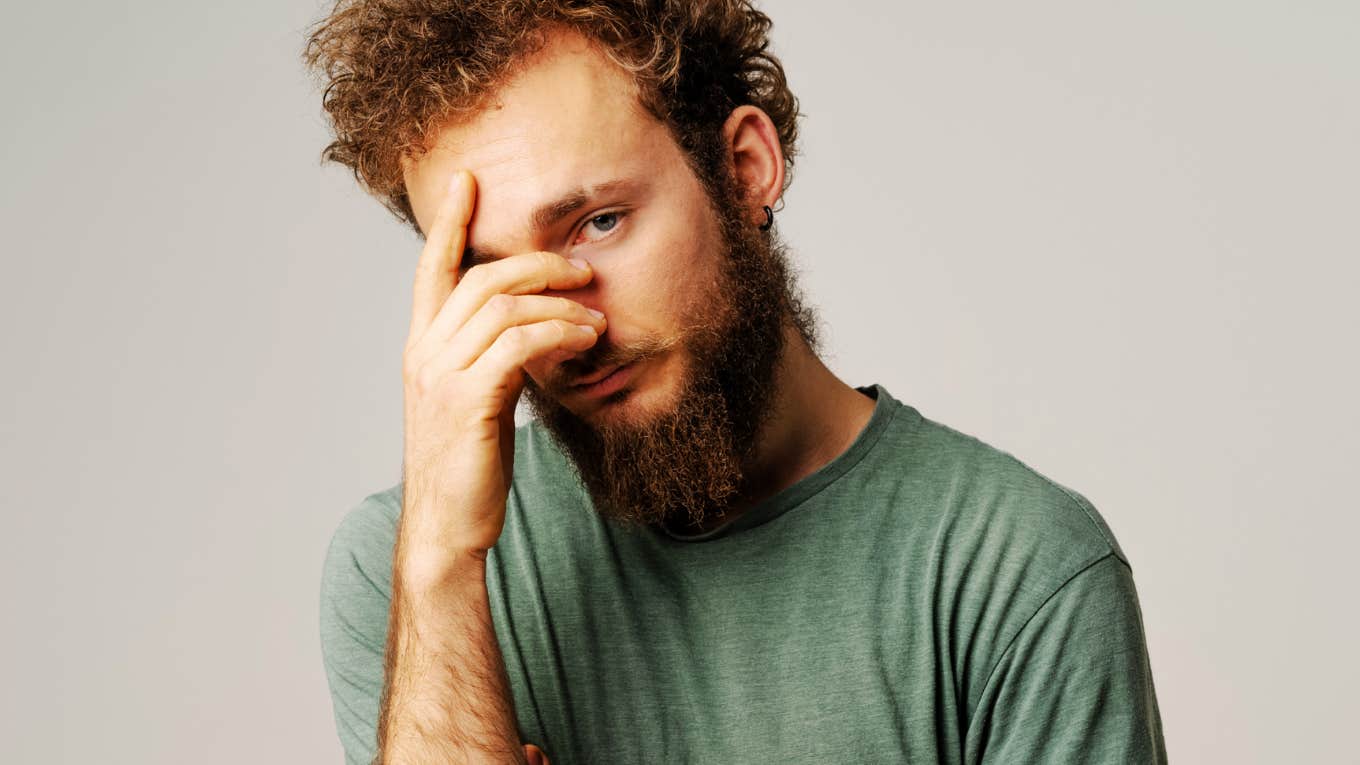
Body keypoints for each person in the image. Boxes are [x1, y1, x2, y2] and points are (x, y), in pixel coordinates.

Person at [302, 2, 1167, 763]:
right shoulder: (408, 577)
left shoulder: (1016, 567)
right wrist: (442, 565)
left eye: (598, 222)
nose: (564, 327)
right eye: (493, 273)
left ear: (745, 167)